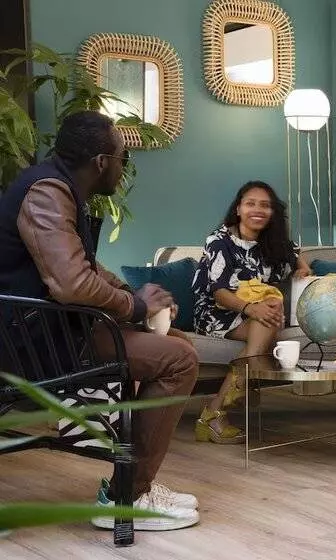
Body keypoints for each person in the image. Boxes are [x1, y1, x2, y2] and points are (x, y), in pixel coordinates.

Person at [0, 111, 199, 530]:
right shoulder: (48, 192)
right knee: (179, 360)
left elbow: (84, 268)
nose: (124, 168)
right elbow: (72, 284)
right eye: (124, 158)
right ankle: (129, 497)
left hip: (53, 331)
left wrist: (137, 298)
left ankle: (133, 486)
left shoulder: (58, 189)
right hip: (39, 344)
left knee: (178, 342)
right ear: (101, 162)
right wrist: (136, 308)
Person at [192, 181, 311, 444]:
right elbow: (219, 292)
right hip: (217, 311)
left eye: (265, 205)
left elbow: (295, 255)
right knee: (269, 316)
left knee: (269, 314)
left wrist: (302, 268)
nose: (258, 210)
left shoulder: (274, 242)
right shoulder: (220, 241)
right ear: (238, 209)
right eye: (251, 203)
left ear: (273, 212)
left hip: (255, 313)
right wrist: (250, 308)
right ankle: (228, 400)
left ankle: (214, 413)